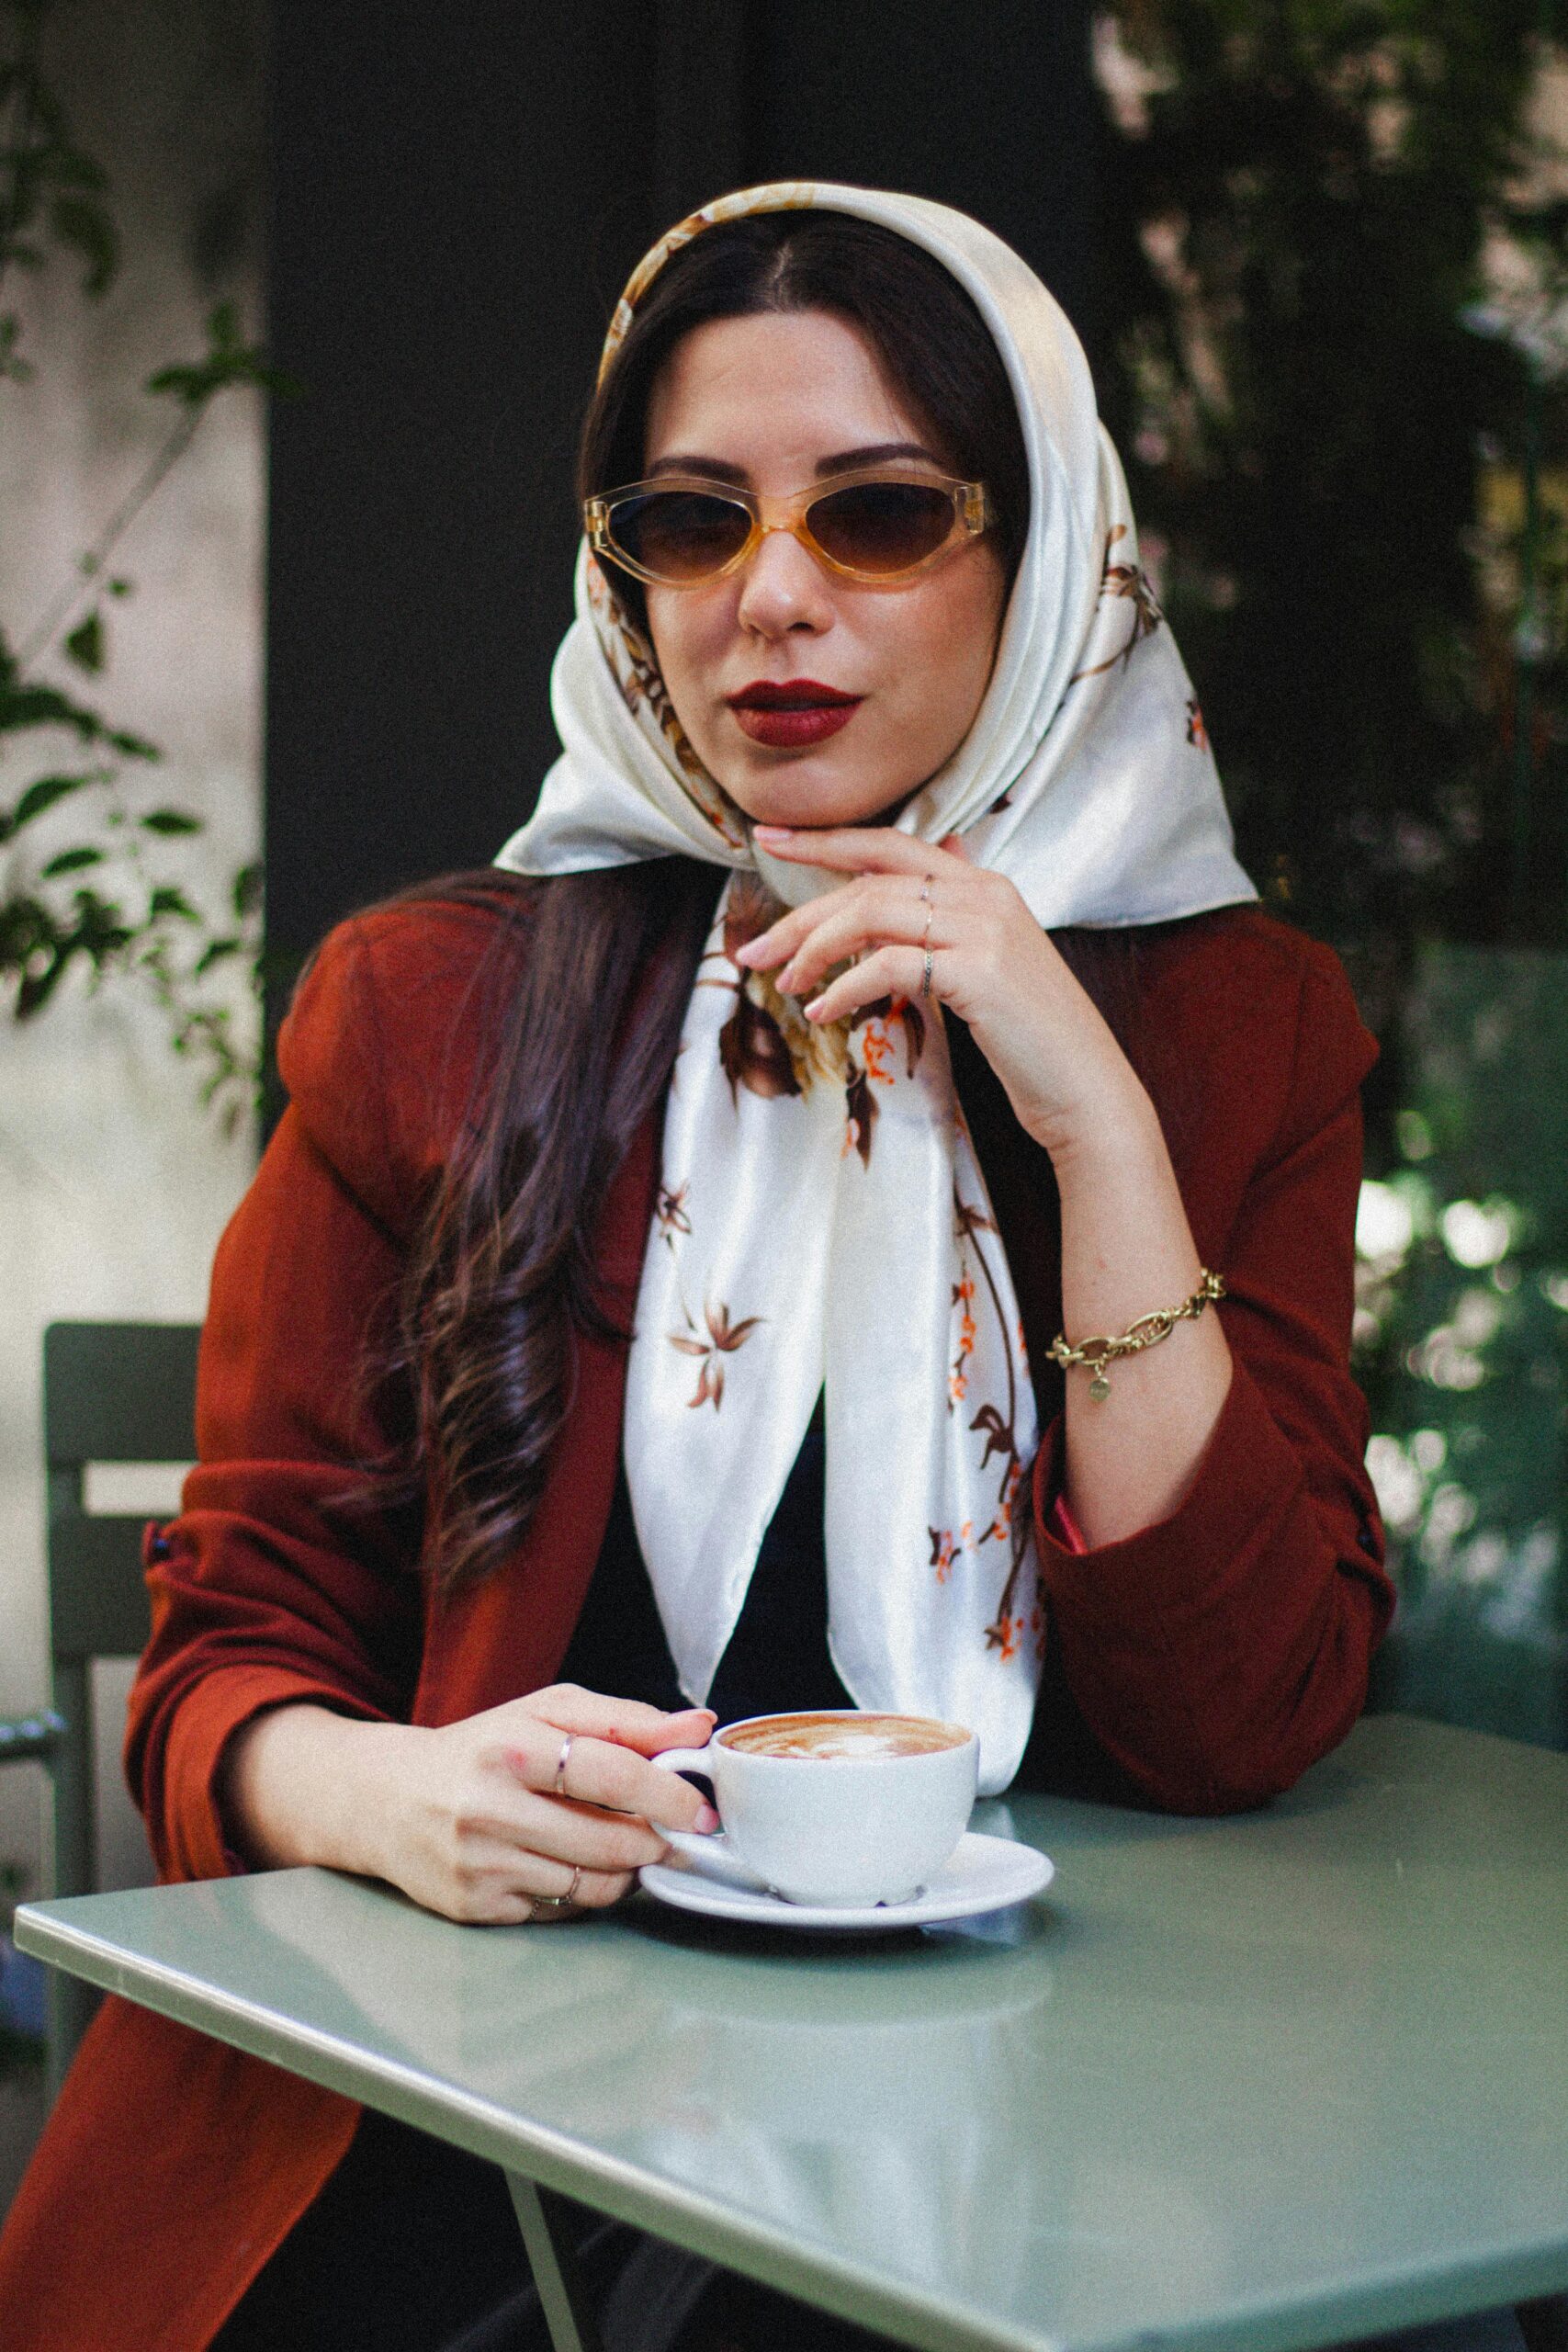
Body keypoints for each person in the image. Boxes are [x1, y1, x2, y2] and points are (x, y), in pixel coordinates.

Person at [0, 184, 1394, 2352]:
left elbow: (1245, 1721)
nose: (766, 602)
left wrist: (1085, 1110)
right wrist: (391, 1791)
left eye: (876, 515)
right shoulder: (436, 1002)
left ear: (1043, 557)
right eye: (687, 519)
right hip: (468, 2111)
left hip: (1055, 2138)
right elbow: (218, 1680)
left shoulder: (1236, 1029)